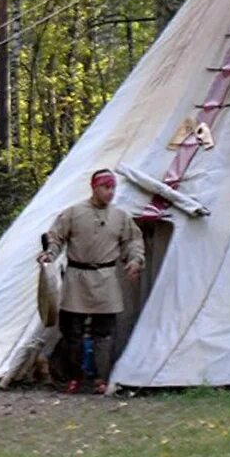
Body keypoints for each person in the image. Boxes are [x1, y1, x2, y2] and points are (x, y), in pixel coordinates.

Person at [39, 168, 144, 395]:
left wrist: (135, 260)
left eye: (113, 188)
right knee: (72, 333)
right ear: (94, 188)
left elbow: (132, 242)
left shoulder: (120, 217)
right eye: (105, 187)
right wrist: (49, 254)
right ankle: (73, 377)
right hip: (77, 278)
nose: (110, 192)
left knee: (104, 333)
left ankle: (100, 379)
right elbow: (56, 237)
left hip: (106, 280)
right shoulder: (74, 213)